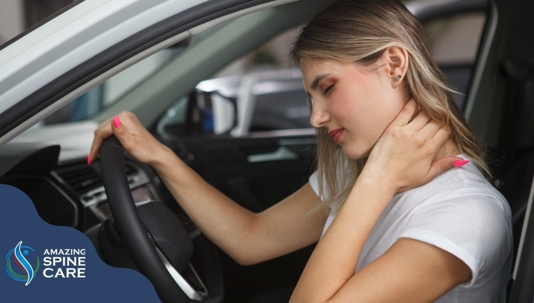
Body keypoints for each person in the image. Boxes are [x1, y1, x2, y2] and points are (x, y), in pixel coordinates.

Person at [88, 0, 513, 301]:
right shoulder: (357, 170)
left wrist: (378, 181)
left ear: (395, 65)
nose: (316, 118)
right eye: (312, 98)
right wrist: (159, 155)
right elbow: (250, 239)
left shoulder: (465, 213)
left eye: (328, 88)